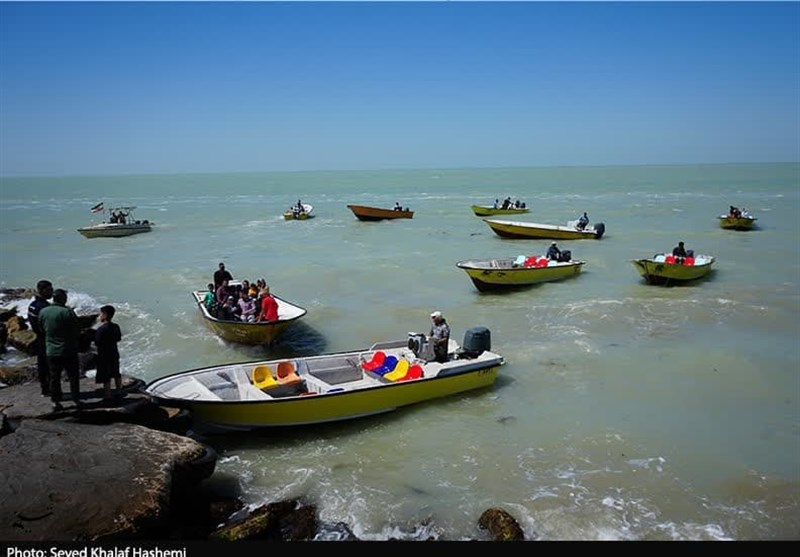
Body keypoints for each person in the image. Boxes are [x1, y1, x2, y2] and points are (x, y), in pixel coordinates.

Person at [38, 288, 81, 412]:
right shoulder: (68, 312)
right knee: (73, 376)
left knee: (54, 377)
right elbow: (76, 331)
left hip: (51, 350)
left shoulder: (44, 311)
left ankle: (55, 401)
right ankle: (76, 400)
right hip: (68, 350)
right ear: (62, 299)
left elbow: (41, 329)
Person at [27, 279, 53, 396]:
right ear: (42, 291)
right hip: (46, 340)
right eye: (49, 290)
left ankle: (44, 390)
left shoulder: (32, 305)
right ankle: (51, 390)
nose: (52, 292)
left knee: (42, 365)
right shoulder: (45, 307)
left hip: (38, 338)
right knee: (49, 367)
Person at [95, 305, 122, 401]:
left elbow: (97, 342)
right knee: (116, 372)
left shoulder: (101, 329)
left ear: (105, 315)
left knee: (106, 375)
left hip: (104, 354)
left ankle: (108, 394)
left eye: (101, 314)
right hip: (114, 352)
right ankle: (119, 391)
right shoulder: (116, 327)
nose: (99, 316)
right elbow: (118, 338)